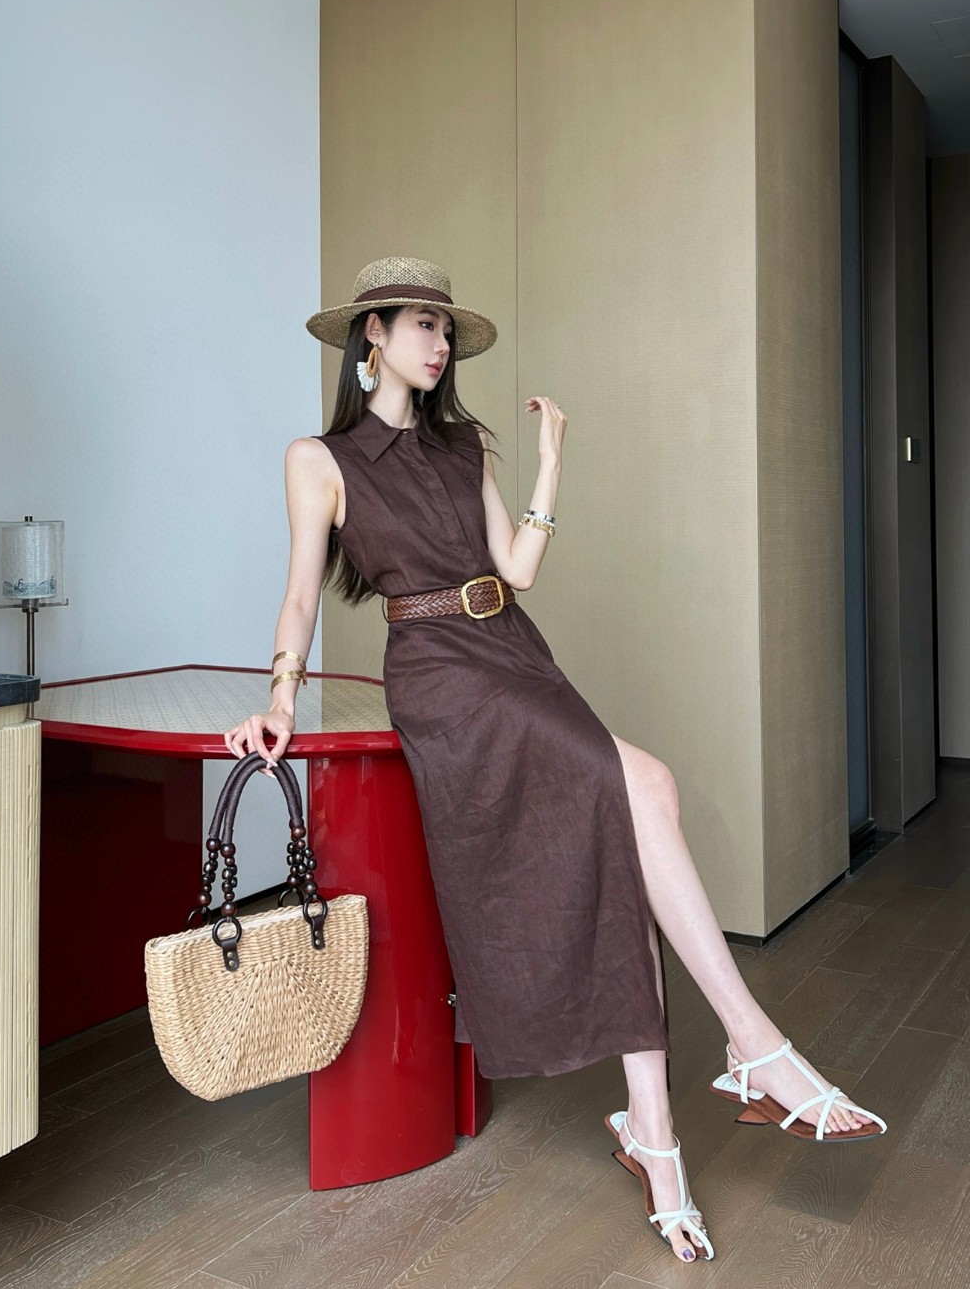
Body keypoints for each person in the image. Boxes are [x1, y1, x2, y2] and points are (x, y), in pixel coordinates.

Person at [224, 257, 886, 1264]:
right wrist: (279, 698)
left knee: (628, 820)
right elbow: (302, 596)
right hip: (440, 673)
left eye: (446, 326)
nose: (440, 341)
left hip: (515, 652)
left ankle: (656, 1133)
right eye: (421, 323)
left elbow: (518, 569)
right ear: (372, 335)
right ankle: (752, 1047)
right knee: (646, 785)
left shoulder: (464, 445)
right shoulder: (318, 458)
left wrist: (549, 460)